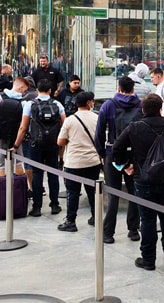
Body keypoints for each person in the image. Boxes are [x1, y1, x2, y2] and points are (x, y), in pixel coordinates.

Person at [111, 94, 164, 270]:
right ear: (160, 108)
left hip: (143, 179)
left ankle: (148, 259)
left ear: (143, 109)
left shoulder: (134, 128)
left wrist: (126, 165)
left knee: (147, 219)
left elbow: (117, 148)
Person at [94, 75, 143, 244]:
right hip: (134, 155)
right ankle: (133, 229)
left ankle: (108, 233)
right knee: (134, 193)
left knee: (113, 193)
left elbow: (99, 132)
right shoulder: (140, 105)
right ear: (133, 89)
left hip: (112, 153)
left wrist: (102, 153)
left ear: (118, 88)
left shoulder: (109, 105)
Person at [13, 78, 66, 217]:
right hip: (53, 144)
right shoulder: (57, 104)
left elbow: (23, 127)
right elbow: (65, 125)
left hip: (35, 144)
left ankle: (37, 207)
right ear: (50, 91)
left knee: (36, 174)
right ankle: (55, 204)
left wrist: (16, 145)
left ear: (37, 90)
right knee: (53, 173)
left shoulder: (30, 104)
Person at [56, 91, 101, 232]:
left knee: (73, 193)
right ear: (88, 103)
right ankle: (96, 217)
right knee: (93, 191)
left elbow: (60, 141)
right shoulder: (97, 118)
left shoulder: (70, 120)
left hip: (74, 163)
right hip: (93, 161)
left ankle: (70, 221)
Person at [0, 77, 28, 177]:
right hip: (16, 137)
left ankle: (2, 191)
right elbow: (25, 122)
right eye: (24, 90)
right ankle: (18, 190)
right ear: (20, 88)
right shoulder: (23, 102)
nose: (24, 93)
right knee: (18, 163)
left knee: (0, 165)